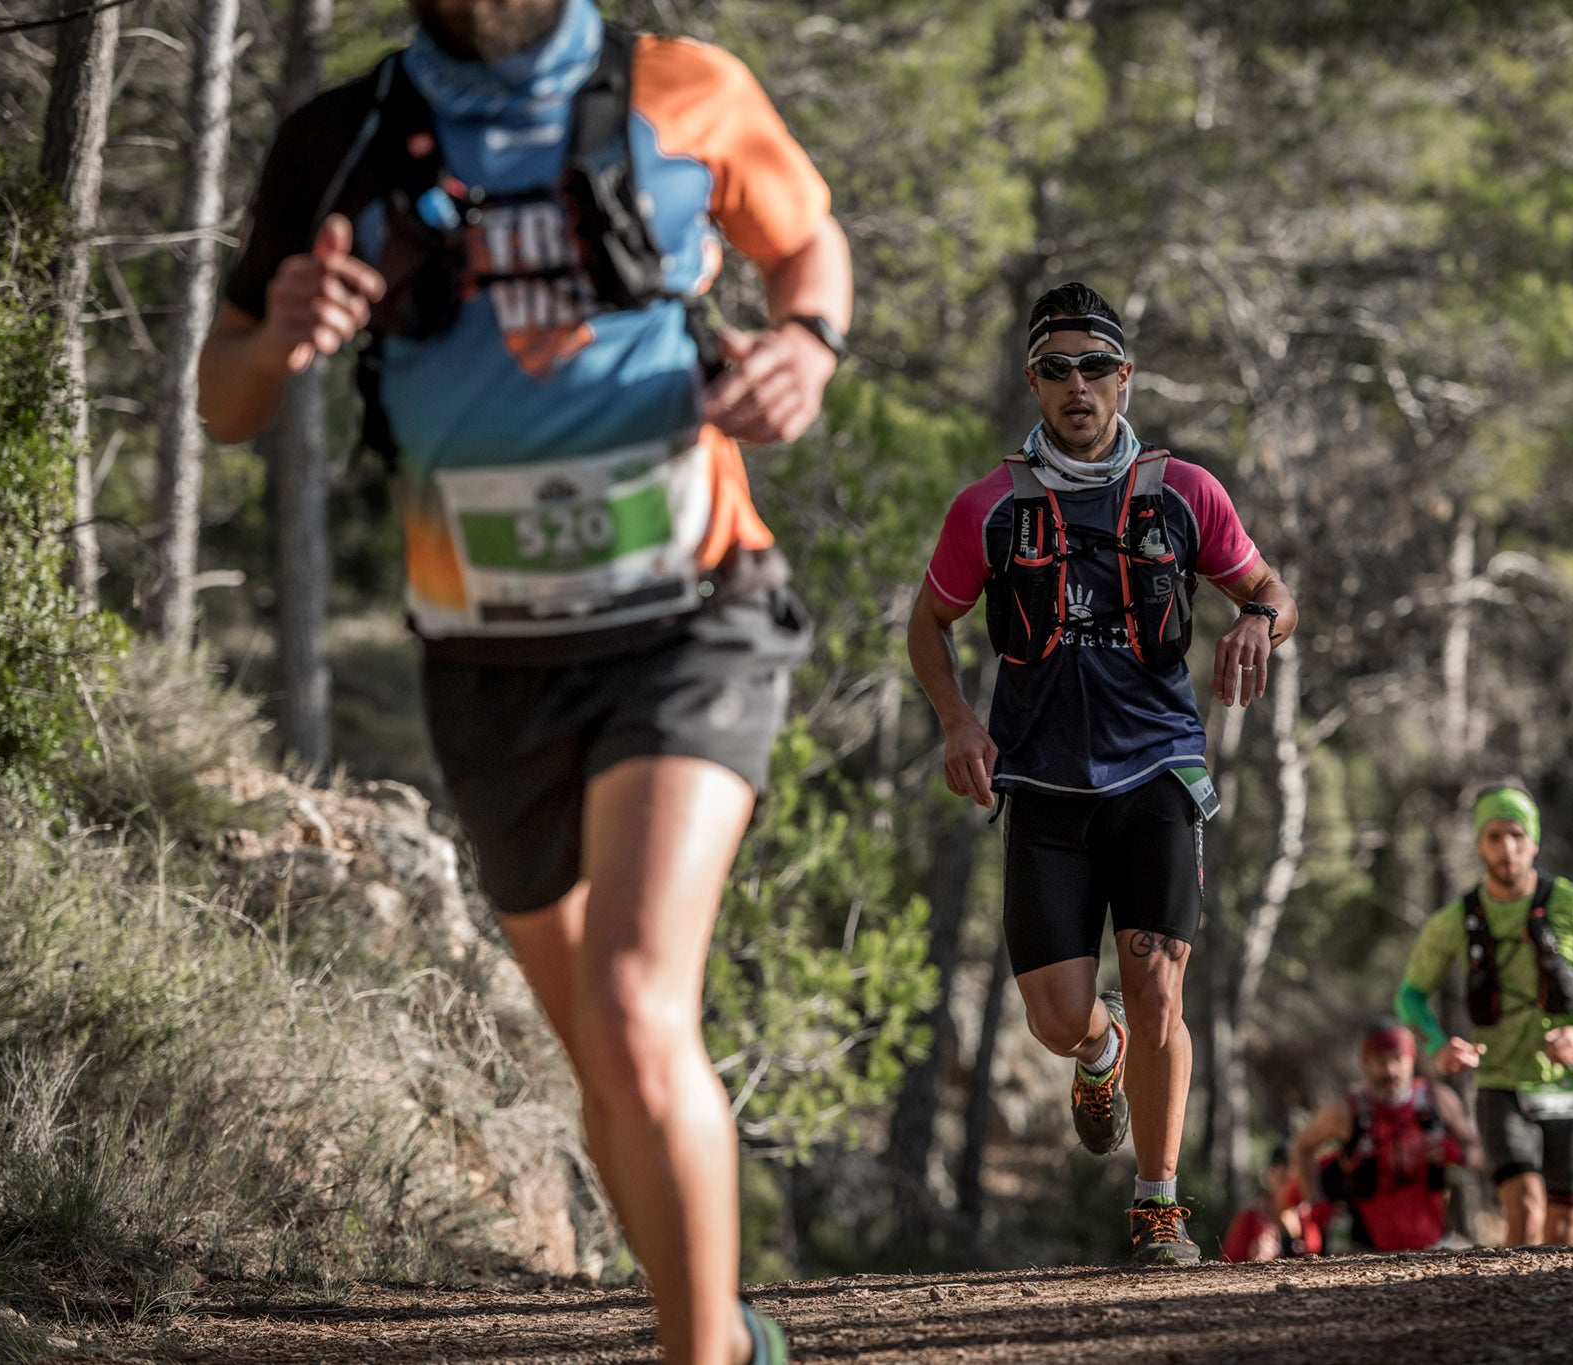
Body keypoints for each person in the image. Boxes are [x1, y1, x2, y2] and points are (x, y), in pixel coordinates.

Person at [196, 0, 852, 1359]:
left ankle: (701, 1355)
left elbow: (807, 247)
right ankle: (722, 1333)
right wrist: (274, 345)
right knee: (602, 1055)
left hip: (691, 615)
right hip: (484, 660)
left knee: (630, 1002)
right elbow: (224, 396)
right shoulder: (342, 139)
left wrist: (808, 348)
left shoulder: (686, 89)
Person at [907, 281, 1299, 1266]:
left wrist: (1257, 622)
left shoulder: (1183, 492)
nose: (1075, 384)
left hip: (1158, 772)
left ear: (1123, 377)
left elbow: (1270, 592)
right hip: (1039, 782)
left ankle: (1158, 1206)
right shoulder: (988, 508)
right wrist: (958, 722)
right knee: (1050, 1018)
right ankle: (1097, 1049)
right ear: (1032, 383)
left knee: (1157, 983)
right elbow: (927, 623)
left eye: (1093, 366)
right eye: (1053, 368)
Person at [1393, 786, 1573, 1246]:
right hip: (1499, 1081)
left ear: (1535, 843)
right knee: (1526, 1209)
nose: (1506, 848)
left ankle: (1563, 1315)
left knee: (1565, 1231)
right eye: (1494, 836)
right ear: (1478, 845)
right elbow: (1411, 995)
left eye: (1516, 834)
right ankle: (1508, 1314)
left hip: (1568, 1080)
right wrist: (1437, 1043)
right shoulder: (1454, 921)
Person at [1288, 1018, 1479, 1252]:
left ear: (1412, 1059)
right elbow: (1302, 1146)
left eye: (1397, 1059)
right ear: (1366, 1063)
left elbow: (1483, 1154)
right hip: (1362, 1253)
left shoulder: (1437, 1100)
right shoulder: (1347, 1111)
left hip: (1431, 1246)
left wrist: (1457, 1154)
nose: (1389, 1071)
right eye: (1380, 1061)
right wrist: (1315, 1201)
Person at [1221, 1145, 1321, 1263]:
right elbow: (1227, 1263)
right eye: (1283, 1179)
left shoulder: (1309, 1217)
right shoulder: (1249, 1218)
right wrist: (1252, 1259)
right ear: (1270, 1175)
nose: (1289, 1189)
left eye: (1294, 1181)